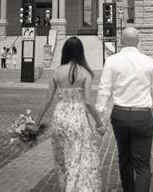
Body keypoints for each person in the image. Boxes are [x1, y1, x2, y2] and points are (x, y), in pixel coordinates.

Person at [96, 27, 153, 192]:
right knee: (142, 164)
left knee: (124, 158)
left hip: (120, 114)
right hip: (142, 115)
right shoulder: (148, 61)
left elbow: (104, 90)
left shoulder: (112, 61)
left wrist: (100, 116)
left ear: (120, 40)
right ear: (138, 40)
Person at [35, 37, 105, 191]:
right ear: (80, 52)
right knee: (78, 160)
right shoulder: (85, 72)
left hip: (59, 118)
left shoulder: (57, 71)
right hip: (77, 118)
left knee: (62, 161)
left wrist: (35, 123)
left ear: (65, 52)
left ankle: (65, 186)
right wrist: (99, 122)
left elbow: (47, 100)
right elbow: (88, 101)